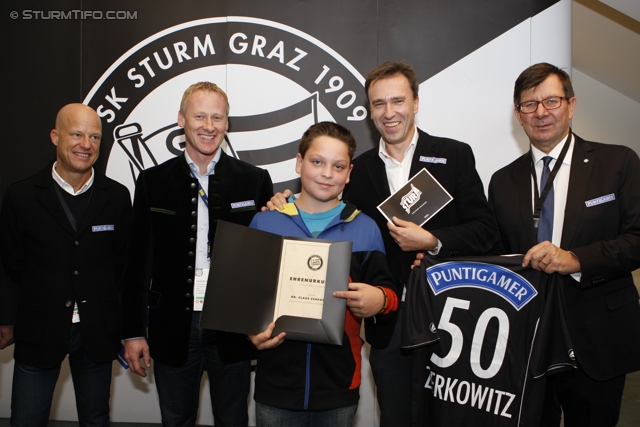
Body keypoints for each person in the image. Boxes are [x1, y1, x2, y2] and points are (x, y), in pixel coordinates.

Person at [268, 61, 497, 426]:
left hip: (450, 315)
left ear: (416, 102)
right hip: (389, 324)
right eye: (378, 104)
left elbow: (487, 231)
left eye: (398, 101)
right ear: (369, 110)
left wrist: (434, 240)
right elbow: (321, 208)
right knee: (395, 415)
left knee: (455, 416)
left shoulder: (453, 155)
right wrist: (282, 200)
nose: (389, 113)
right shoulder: (355, 172)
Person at [488, 62, 640, 427]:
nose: (541, 112)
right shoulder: (502, 181)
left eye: (551, 101)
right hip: (526, 342)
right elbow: (495, 255)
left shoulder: (617, 162)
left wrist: (575, 259)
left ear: (571, 105)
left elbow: (637, 239)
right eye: (529, 104)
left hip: (597, 337)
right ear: (518, 115)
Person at [122, 82, 273, 427]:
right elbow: (136, 262)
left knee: (233, 418)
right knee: (175, 419)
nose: (208, 125)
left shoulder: (253, 180)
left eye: (217, 117)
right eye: (200, 115)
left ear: (226, 124)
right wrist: (132, 331)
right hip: (173, 325)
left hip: (234, 327)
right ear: (181, 120)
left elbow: (267, 258)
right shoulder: (152, 181)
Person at [249, 121, 399, 426]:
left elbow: (390, 295)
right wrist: (250, 332)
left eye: (338, 166)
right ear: (299, 162)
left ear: (349, 173)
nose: (327, 173)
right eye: (317, 162)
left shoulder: (366, 228)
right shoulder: (266, 223)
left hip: (338, 386)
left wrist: (379, 299)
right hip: (275, 386)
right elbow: (247, 296)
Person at [0, 104, 132, 426]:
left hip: (96, 333)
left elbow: (123, 266)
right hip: (38, 328)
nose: (86, 144)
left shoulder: (116, 197)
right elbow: (8, 263)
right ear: (55, 136)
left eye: (95, 137)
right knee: (26, 419)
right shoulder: (21, 196)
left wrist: (128, 329)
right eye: (76, 134)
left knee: (96, 419)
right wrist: (6, 319)